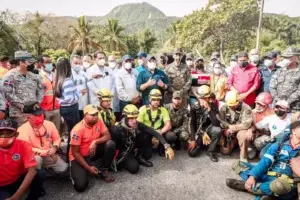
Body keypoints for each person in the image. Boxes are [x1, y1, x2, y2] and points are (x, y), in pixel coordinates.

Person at [226, 120, 300, 200]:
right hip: (269, 177)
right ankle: (267, 192)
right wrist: (252, 177)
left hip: (288, 183)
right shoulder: (280, 145)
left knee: (279, 186)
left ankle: (248, 187)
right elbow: (265, 161)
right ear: (294, 131)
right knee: (238, 165)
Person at [113, 104, 175, 173]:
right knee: (134, 168)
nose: (134, 121)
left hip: (134, 148)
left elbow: (154, 132)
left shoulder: (137, 124)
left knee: (146, 133)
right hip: (123, 152)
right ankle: (133, 159)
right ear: (125, 117)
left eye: (136, 117)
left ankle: (139, 156)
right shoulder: (118, 128)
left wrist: (166, 146)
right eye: (131, 118)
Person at [69, 104, 116, 192]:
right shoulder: (77, 130)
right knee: (80, 186)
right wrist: (88, 168)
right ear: (85, 115)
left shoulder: (98, 121)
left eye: (96, 114)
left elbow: (108, 136)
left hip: (92, 153)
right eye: (92, 115)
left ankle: (104, 169)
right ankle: (79, 170)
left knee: (110, 144)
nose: (95, 117)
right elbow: (75, 153)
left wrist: (95, 141)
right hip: (79, 157)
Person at [0, 119, 44, 200]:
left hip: (17, 178)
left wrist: (17, 196)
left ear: (16, 134)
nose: (4, 136)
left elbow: (32, 171)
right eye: (1, 133)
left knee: (39, 174)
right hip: (2, 185)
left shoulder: (23, 145)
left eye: (9, 133)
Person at [17, 107, 68, 174]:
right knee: (37, 160)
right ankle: (34, 176)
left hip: (48, 154)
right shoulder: (22, 130)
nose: (40, 116)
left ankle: (46, 169)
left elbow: (57, 138)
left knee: (63, 168)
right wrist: (47, 152)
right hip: (32, 155)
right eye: (36, 115)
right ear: (27, 117)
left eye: (41, 113)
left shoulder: (49, 124)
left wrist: (54, 147)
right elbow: (27, 149)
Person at [2, 51, 44, 126]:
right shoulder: (9, 77)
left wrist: (37, 103)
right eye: (29, 62)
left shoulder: (34, 76)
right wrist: (23, 106)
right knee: (22, 136)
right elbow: (8, 94)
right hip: (19, 115)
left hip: (34, 112)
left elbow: (41, 90)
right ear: (20, 62)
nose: (31, 64)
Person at [54, 58, 80, 161]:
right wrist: (78, 94)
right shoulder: (68, 81)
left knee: (69, 132)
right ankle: (72, 156)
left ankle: (69, 155)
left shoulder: (58, 80)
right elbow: (70, 99)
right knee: (73, 133)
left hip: (64, 109)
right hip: (71, 108)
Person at [189, 85, 221, 162]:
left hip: (209, 129)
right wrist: (193, 139)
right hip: (199, 131)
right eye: (201, 98)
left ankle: (211, 151)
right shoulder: (194, 106)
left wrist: (209, 109)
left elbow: (216, 123)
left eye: (205, 98)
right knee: (192, 153)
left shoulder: (213, 105)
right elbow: (192, 123)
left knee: (217, 130)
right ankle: (201, 144)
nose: (203, 100)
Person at [137, 89, 174, 155]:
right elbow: (139, 125)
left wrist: (161, 132)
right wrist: (152, 133)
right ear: (149, 99)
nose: (156, 102)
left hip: (159, 132)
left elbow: (168, 125)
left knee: (171, 135)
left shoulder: (163, 110)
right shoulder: (143, 109)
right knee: (147, 155)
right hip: (147, 133)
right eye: (154, 100)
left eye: (158, 100)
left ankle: (161, 146)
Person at [219, 90, 253, 162]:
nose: (232, 107)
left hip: (241, 129)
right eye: (230, 106)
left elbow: (246, 124)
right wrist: (227, 127)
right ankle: (232, 145)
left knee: (243, 135)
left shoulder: (246, 108)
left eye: (234, 105)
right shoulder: (224, 108)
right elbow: (222, 121)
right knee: (225, 152)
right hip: (228, 129)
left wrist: (233, 128)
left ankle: (243, 157)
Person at [269, 47, 300, 112]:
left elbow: (299, 91)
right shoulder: (279, 71)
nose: (285, 59)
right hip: (278, 106)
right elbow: (272, 86)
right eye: (285, 57)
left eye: (288, 57)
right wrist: (278, 100)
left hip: (293, 108)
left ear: (295, 58)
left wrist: (287, 102)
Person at [39, 55, 61, 132]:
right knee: (46, 132)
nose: (50, 64)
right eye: (47, 62)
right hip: (45, 110)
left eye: (50, 62)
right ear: (41, 64)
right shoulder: (38, 77)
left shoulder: (55, 75)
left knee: (56, 132)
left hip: (56, 109)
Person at [71, 55, 89, 120]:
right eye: (75, 63)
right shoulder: (69, 74)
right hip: (74, 104)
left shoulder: (83, 72)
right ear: (71, 63)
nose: (78, 65)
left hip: (84, 103)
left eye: (79, 63)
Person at [108, 55, 121, 120]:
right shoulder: (105, 71)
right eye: (110, 61)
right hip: (107, 99)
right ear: (108, 62)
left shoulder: (120, 71)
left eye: (113, 60)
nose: (112, 62)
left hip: (117, 99)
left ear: (116, 61)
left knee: (117, 118)